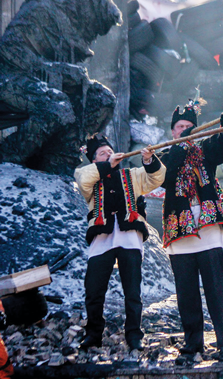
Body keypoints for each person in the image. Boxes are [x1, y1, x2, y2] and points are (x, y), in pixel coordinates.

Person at [160, 101, 223, 361]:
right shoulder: (165, 154)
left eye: (190, 127)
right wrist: (181, 144)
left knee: (217, 288)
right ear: (173, 131)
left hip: (208, 227)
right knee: (186, 292)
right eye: (180, 127)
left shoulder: (205, 150)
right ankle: (193, 345)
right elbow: (166, 177)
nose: (184, 131)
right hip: (180, 230)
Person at [74, 134, 166, 351]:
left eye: (109, 151)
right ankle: (93, 333)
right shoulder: (90, 177)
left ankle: (134, 335)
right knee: (94, 289)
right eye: (102, 153)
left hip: (129, 236)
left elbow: (155, 179)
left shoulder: (131, 175)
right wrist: (107, 164)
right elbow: (82, 178)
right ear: (94, 160)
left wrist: (148, 161)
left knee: (132, 290)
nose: (108, 154)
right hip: (102, 237)